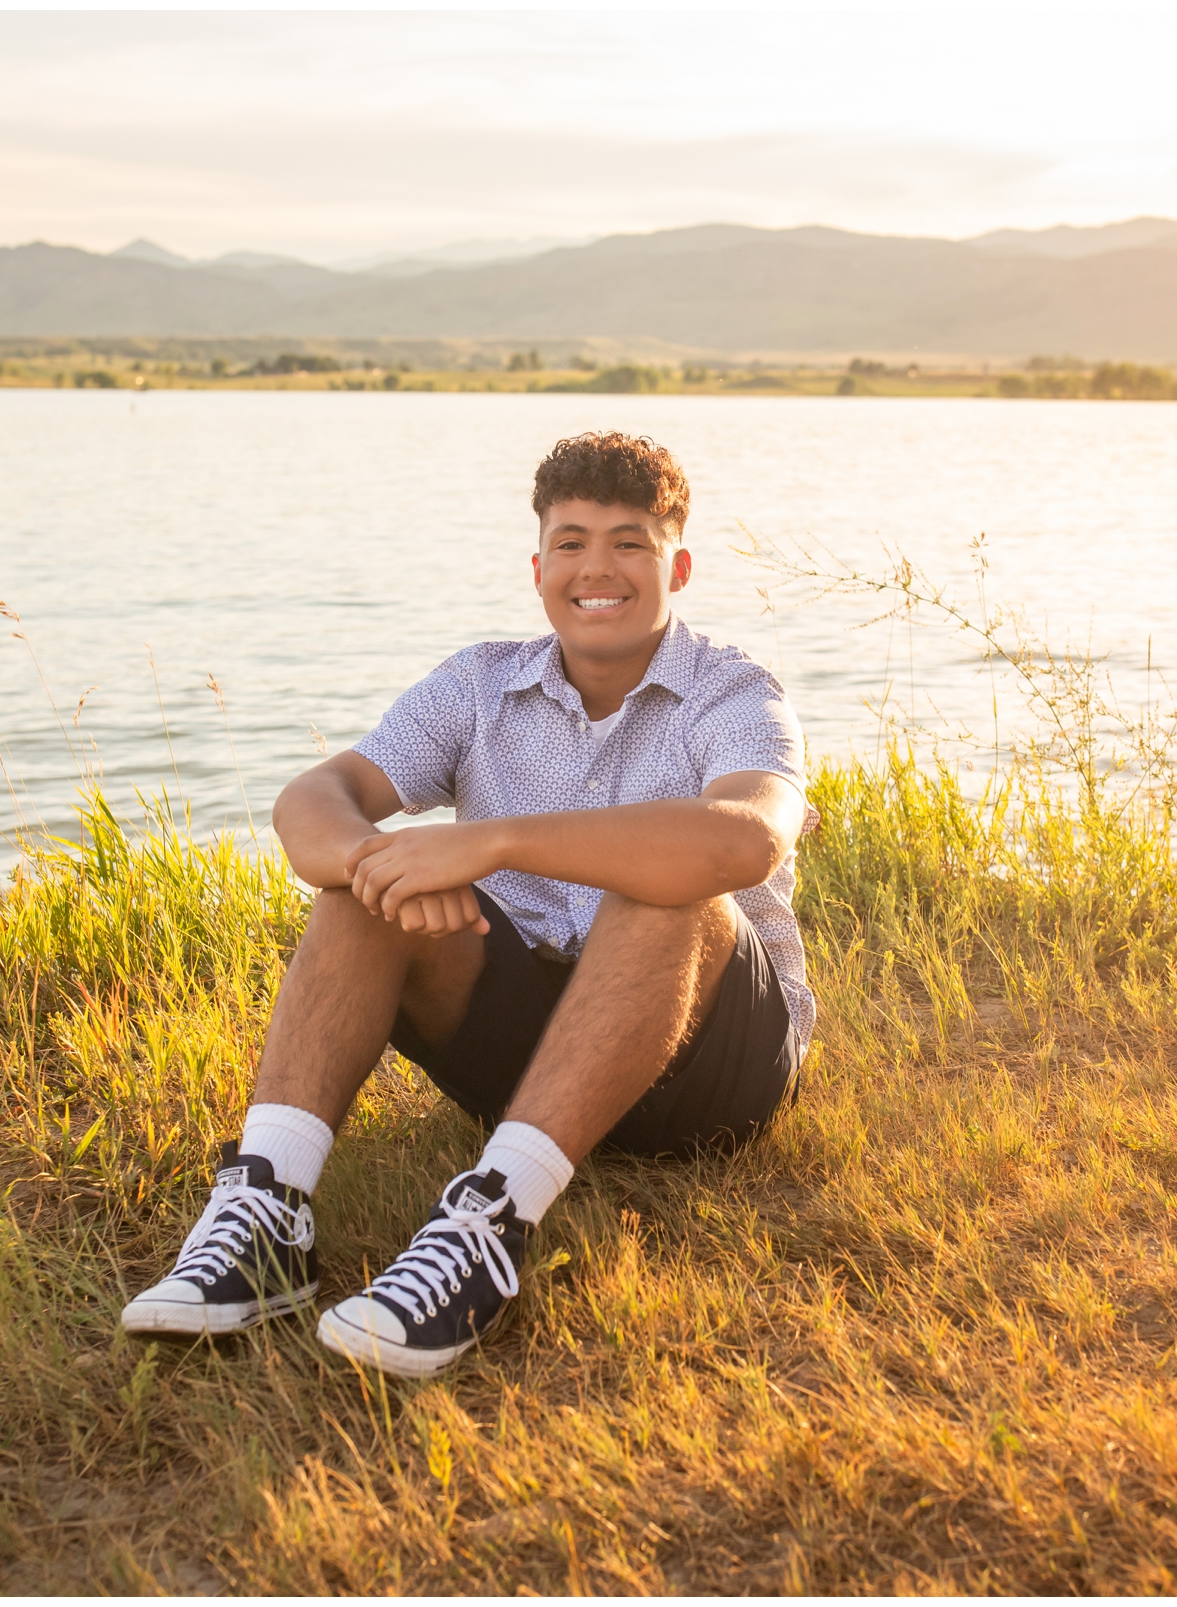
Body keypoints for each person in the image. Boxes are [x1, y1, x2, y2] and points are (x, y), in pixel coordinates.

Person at [120, 431, 813, 1378]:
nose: (596, 568)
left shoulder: (734, 690)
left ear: (677, 565)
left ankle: (489, 1224)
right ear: (538, 570)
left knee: (667, 888)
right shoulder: (478, 683)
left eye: (628, 542)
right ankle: (265, 1213)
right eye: (571, 542)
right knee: (364, 890)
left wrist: (489, 841)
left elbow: (746, 839)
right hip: (539, 1045)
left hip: (712, 1070)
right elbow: (312, 803)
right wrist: (382, 861)